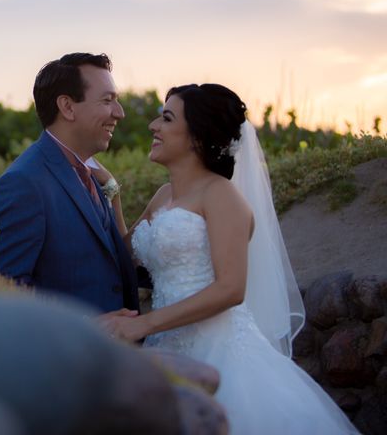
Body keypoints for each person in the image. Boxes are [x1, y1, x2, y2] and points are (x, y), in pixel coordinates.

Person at [95, 84, 359, 434]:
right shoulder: (163, 196)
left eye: (167, 118)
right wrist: (111, 191)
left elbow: (231, 289)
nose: (153, 126)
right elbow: (125, 254)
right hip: (168, 348)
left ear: (197, 137)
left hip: (220, 353)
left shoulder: (222, 197)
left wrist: (144, 324)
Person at [0, 52, 142, 314]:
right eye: (107, 100)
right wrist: (89, 328)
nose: (120, 112)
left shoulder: (90, 174)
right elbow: (3, 291)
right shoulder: (22, 184)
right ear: (67, 107)